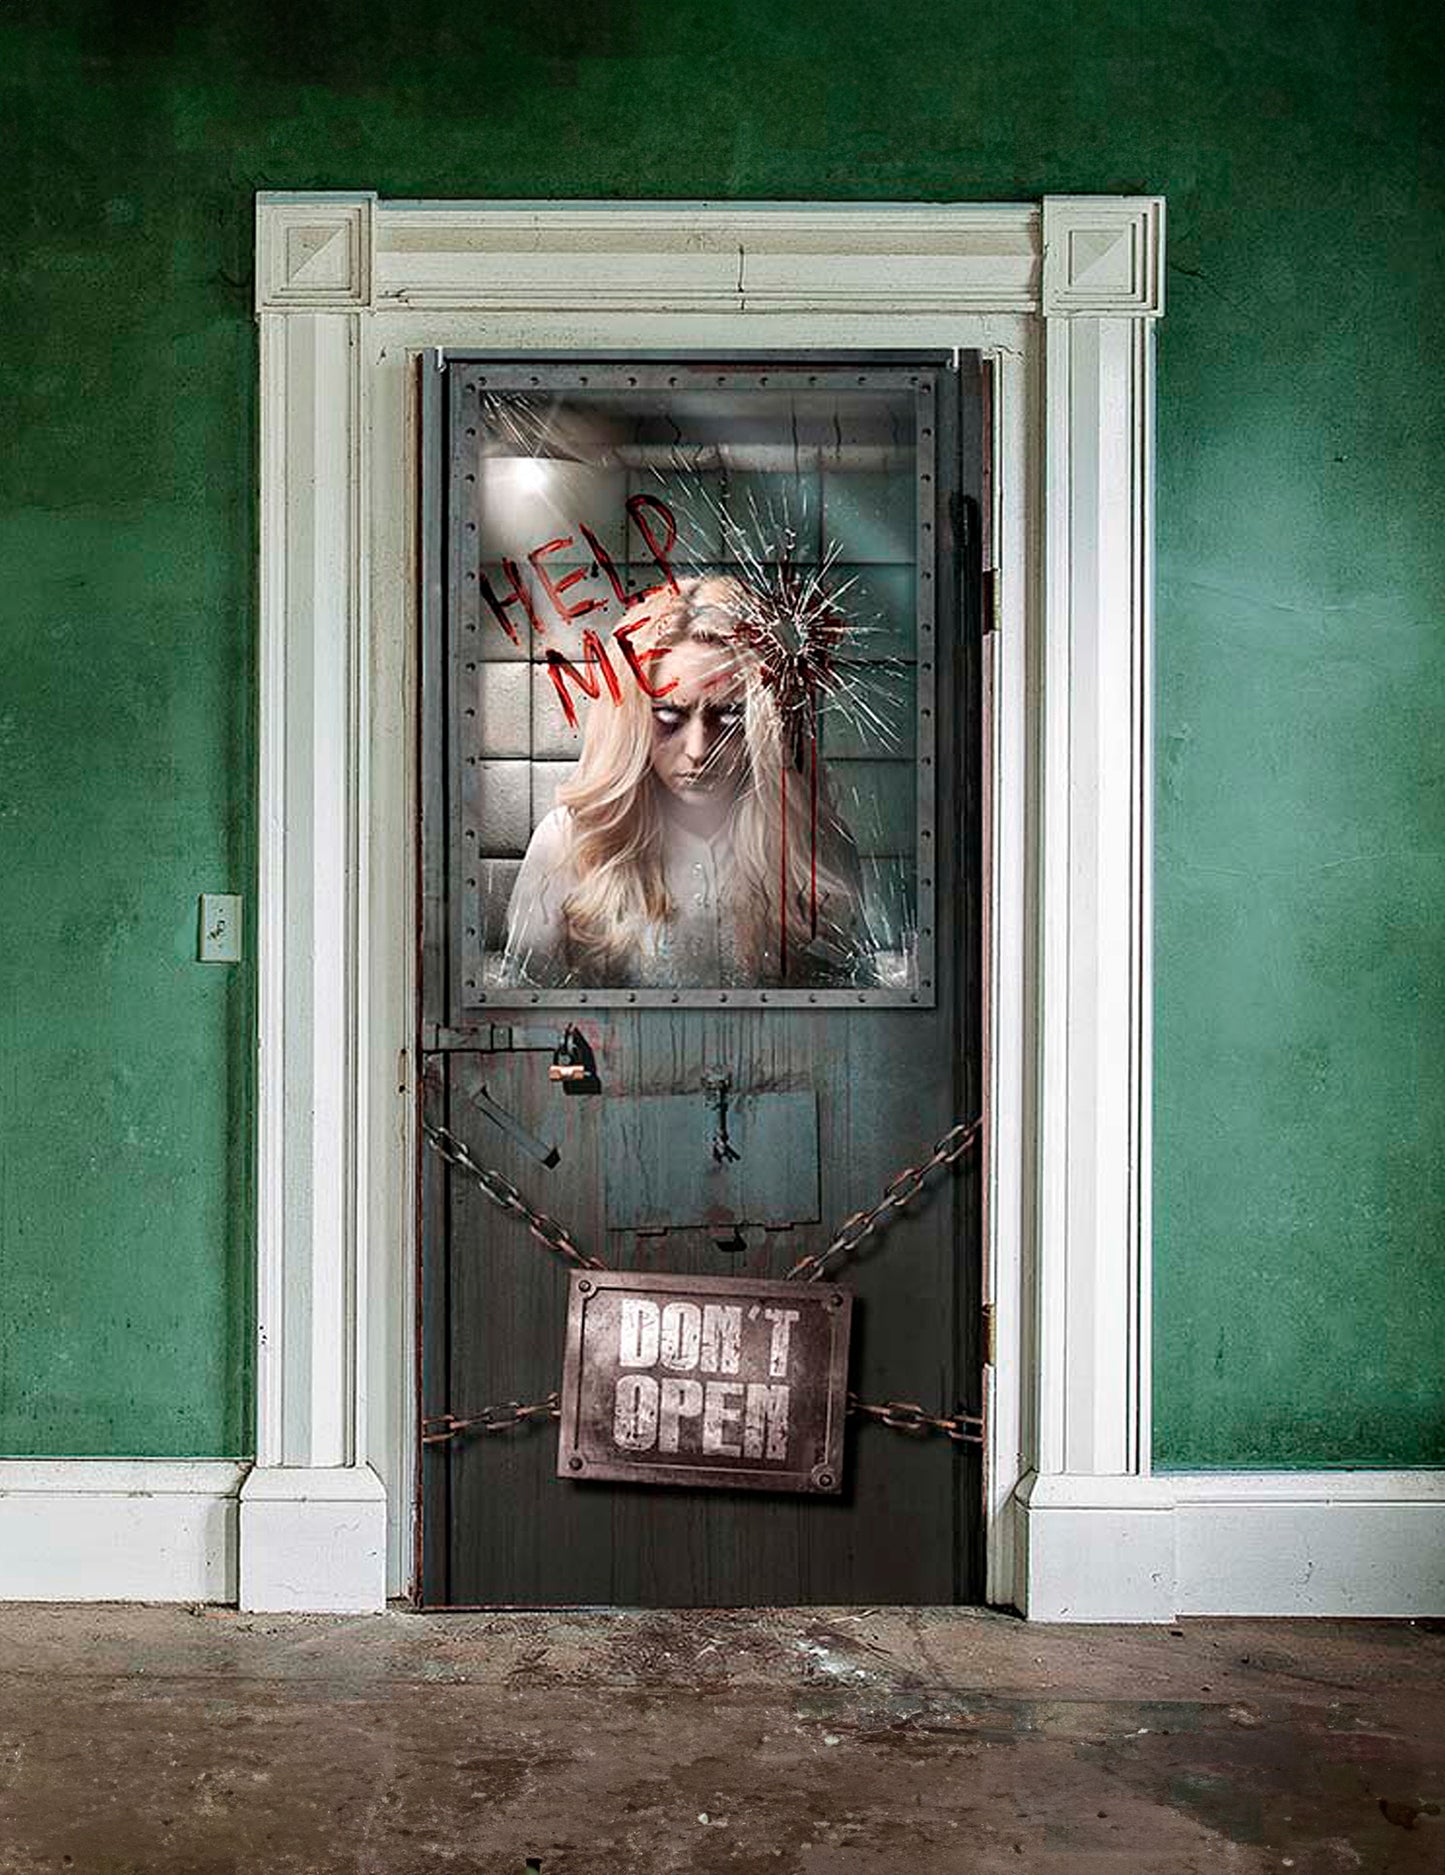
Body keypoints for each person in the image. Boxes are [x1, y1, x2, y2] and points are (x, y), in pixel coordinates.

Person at [501, 575, 867, 989]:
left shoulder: (814, 845)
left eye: (728, 718)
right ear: (633, 722)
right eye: (669, 719)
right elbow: (525, 1016)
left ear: (763, 724)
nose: (698, 749)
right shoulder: (570, 842)